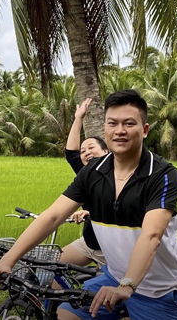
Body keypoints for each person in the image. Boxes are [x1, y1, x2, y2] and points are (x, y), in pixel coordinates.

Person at [0, 90, 177, 319]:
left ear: (144, 130)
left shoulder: (162, 174)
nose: (119, 130)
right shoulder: (93, 171)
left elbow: (151, 236)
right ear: (105, 128)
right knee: (65, 315)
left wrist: (126, 286)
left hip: (159, 289)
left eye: (129, 123)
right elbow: (53, 216)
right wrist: (8, 260)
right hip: (114, 277)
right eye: (112, 123)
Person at [61, 97, 108, 268]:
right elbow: (71, 153)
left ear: (106, 151)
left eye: (91, 148)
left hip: (109, 249)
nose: (86, 152)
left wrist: (89, 213)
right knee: (50, 268)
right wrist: (78, 118)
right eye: (83, 151)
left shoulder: (117, 175)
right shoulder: (86, 174)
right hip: (88, 243)